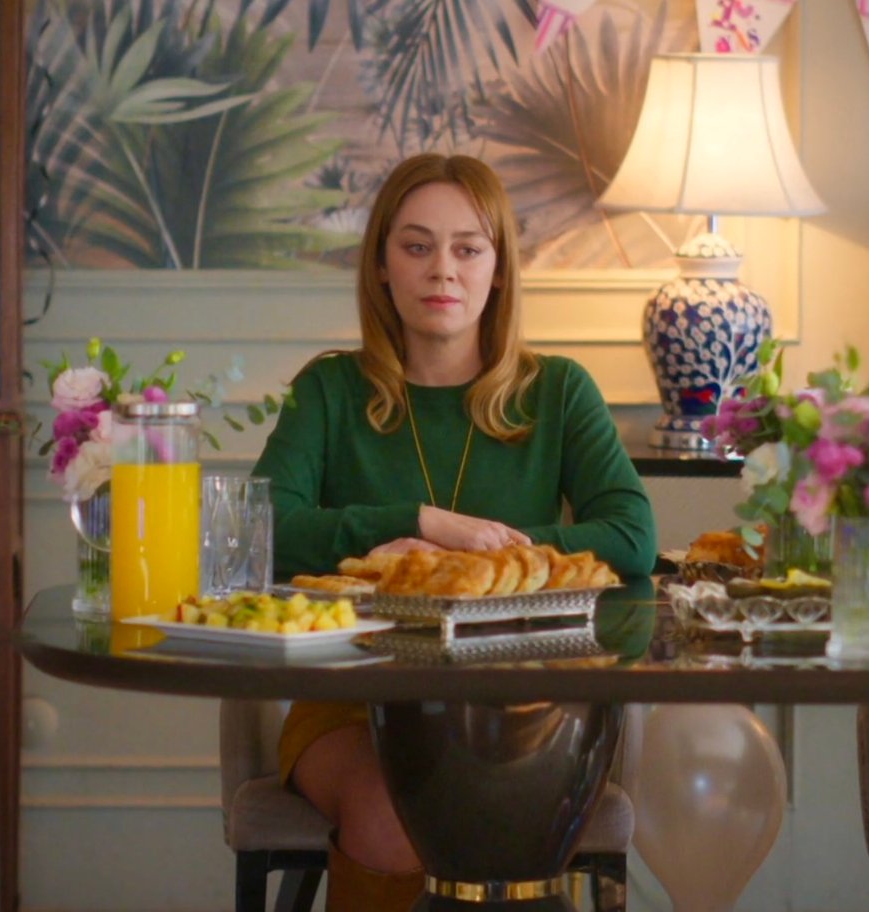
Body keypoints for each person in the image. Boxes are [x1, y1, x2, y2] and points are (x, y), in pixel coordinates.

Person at [251, 152, 657, 910]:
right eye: (417, 246)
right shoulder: (329, 389)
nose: (443, 269)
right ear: (381, 266)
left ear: (497, 271)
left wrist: (472, 558)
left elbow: (632, 535)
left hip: (525, 708)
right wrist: (416, 521)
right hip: (350, 706)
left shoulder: (558, 390)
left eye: (468, 248)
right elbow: (264, 527)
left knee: (500, 815)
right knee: (391, 814)